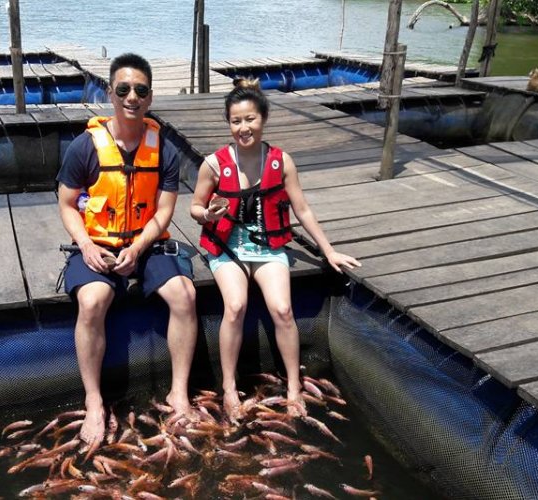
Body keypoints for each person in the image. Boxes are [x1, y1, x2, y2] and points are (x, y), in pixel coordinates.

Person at [190, 79, 361, 421]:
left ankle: (294, 386)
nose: (243, 128)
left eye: (250, 119)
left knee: (282, 309)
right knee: (235, 306)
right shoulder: (214, 164)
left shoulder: (282, 162)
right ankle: (228, 387)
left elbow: (303, 210)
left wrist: (328, 251)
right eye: (236, 121)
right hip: (227, 247)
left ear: (263, 118)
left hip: (268, 247)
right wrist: (207, 214)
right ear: (228, 123)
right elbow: (194, 206)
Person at [57, 53, 198, 446]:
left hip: (146, 243)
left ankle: (179, 393)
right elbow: (66, 204)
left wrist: (137, 248)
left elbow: (164, 212)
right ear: (110, 94)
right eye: (123, 89)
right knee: (92, 301)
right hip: (98, 243)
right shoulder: (84, 147)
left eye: (140, 90)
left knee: (185, 295)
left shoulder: (164, 150)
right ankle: (94, 400)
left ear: (149, 97)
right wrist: (85, 244)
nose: (131, 97)